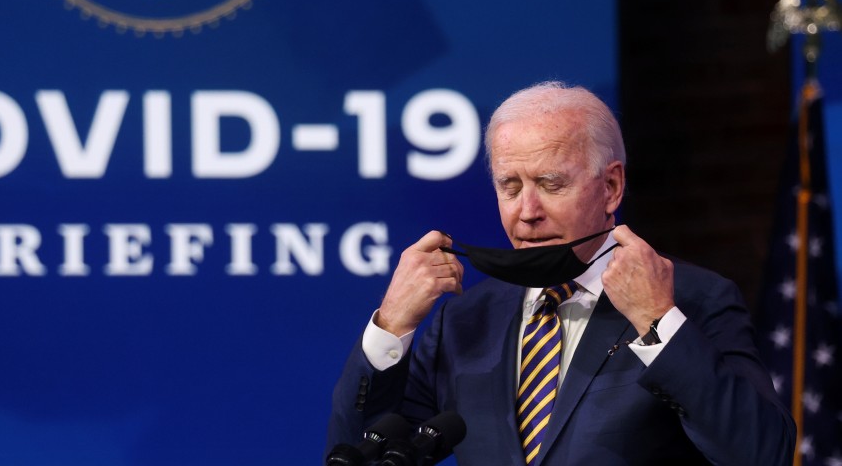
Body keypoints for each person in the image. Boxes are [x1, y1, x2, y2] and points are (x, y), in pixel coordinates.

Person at [326, 81, 795, 465]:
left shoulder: (693, 299)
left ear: (611, 187)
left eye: (551, 184)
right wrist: (392, 325)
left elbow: (760, 453)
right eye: (510, 187)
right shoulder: (465, 321)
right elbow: (356, 454)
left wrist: (657, 320)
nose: (527, 211)